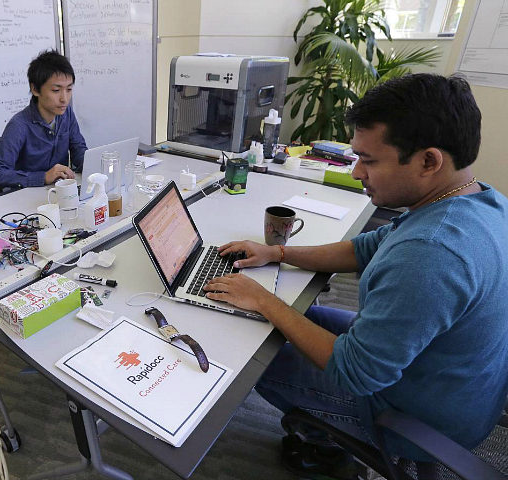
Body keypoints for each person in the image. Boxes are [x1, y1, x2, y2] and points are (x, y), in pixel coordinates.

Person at [204, 74, 508, 478]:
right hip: (453, 378)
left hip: (417, 416)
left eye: (369, 160)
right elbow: (364, 247)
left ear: (428, 161)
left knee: (254, 358)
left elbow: (355, 371)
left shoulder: (432, 253)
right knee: (296, 319)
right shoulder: (477, 199)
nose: (356, 172)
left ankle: (326, 443)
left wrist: (264, 300)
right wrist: (277, 252)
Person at [0, 50, 87, 190]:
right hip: (27, 196)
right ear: (35, 89)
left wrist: (91, 164)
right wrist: (43, 177)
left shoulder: (67, 114)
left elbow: (78, 149)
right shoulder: (19, 125)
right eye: (56, 90)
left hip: (59, 192)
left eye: (69, 89)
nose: (64, 99)